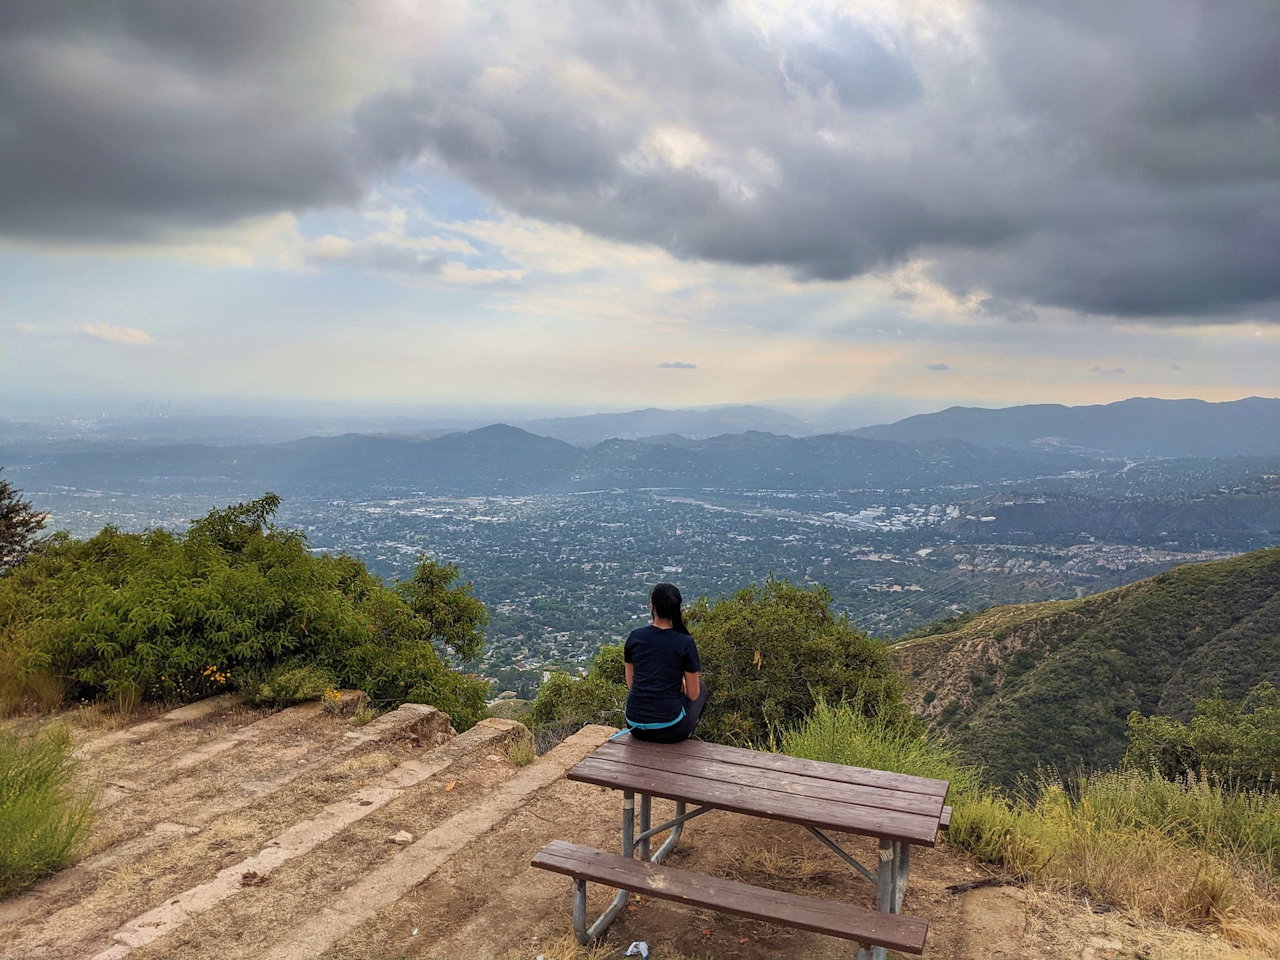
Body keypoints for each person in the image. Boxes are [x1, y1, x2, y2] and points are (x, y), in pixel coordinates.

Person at [622, 582, 709, 743]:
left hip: (634, 724)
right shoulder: (685, 642)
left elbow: (631, 684)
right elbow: (693, 694)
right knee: (701, 688)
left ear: (652, 607)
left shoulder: (635, 637)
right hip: (669, 730)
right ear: (677, 608)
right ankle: (687, 737)